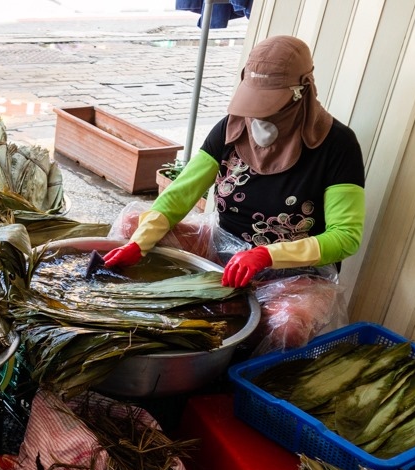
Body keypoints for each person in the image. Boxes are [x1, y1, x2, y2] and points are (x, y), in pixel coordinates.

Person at [100, 35, 365, 353]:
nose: (258, 119)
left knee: (288, 324)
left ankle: (241, 377)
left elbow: (345, 237)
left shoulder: (337, 146)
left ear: (301, 92)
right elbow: (177, 198)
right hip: (224, 254)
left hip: (296, 273)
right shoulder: (232, 129)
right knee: (133, 225)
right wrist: (138, 243)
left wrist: (267, 255)